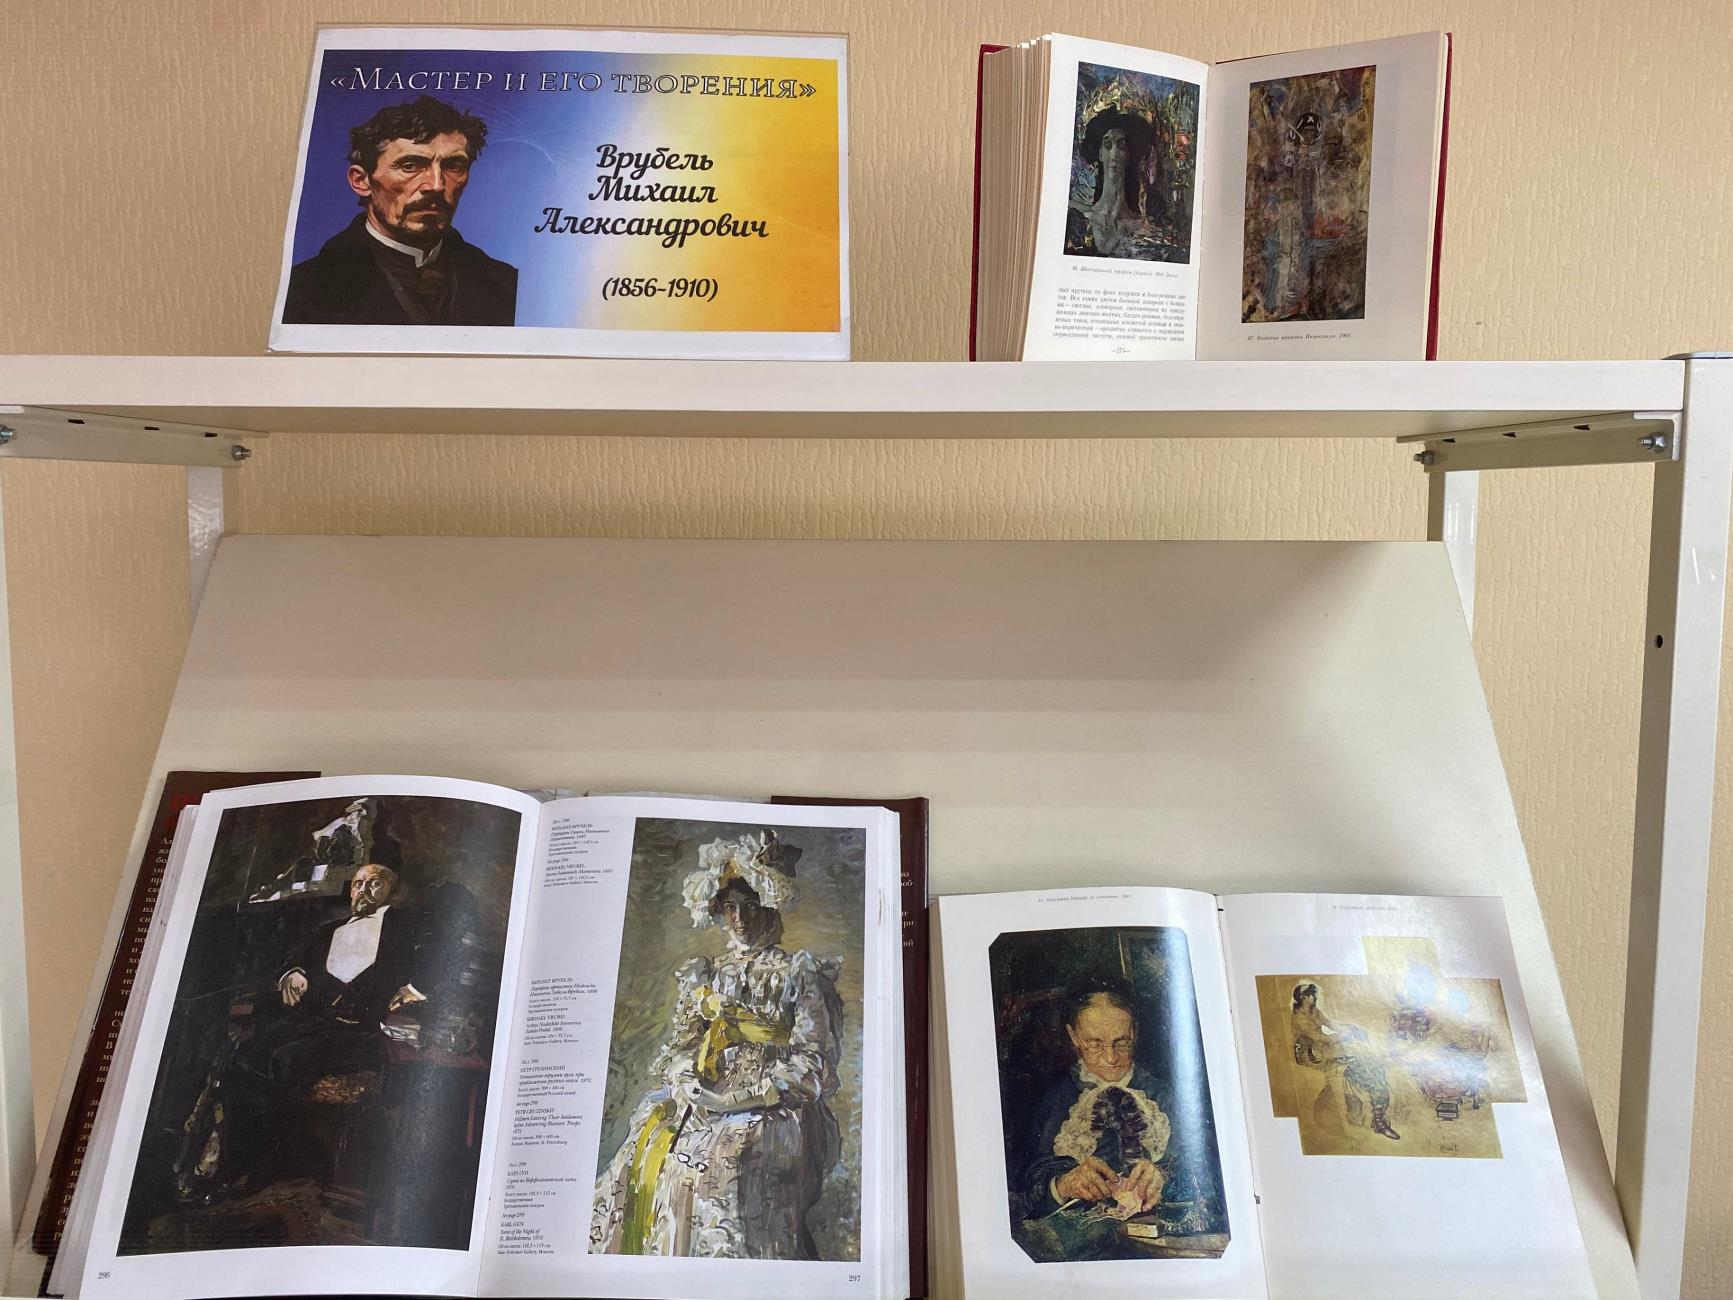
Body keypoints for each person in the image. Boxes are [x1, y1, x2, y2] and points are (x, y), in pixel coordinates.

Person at [591, 830, 845, 1259]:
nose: (739, 919)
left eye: (750, 906)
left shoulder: (799, 975)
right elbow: (683, 1045)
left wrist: (735, 1100)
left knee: (717, 1161)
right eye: (730, 908)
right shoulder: (707, 974)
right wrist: (686, 1080)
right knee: (649, 1142)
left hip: (773, 1105)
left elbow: (811, 1065)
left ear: (769, 907)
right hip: (707, 1095)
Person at [283, 95, 518, 326]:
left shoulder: (505, 284)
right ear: (362, 181)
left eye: (454, 166)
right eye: (410, 165)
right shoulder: (303, 290)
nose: (436, 185)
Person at [1018, 983, 1172, 1222]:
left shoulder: (1163, 1094)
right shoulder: (1055, 1099)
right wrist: (1063, 1185)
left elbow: (1203, 1172)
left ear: (1135, 1032)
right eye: (1095, 1044)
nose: (1110, 1058)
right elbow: (1024, 1190)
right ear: (1074, 1036)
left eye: (1122, 1042)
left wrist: (1164, 1178)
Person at [1289, 982, 1400, 1140]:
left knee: (1374, 1066)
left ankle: (1378, 1118)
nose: (1313, 997)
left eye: (1313, 993)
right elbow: (1321, 1038)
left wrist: (1351, 1027)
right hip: (1315, 1057)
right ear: (1302, 998)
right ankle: (1378, 1121)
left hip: (1329, 1051)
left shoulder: (1315, 1012)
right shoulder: (1299, 1018)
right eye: (1309, 994)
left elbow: (1330, 1024)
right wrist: (1345, 1036)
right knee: (1364, 1069)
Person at [1068, 107, 1152, 257]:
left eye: (1121, 146)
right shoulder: (1077, 214)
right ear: (1100, 153)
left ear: (1129, 154)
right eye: (1108, 145)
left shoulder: (1141, 226)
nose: (1114, 154)